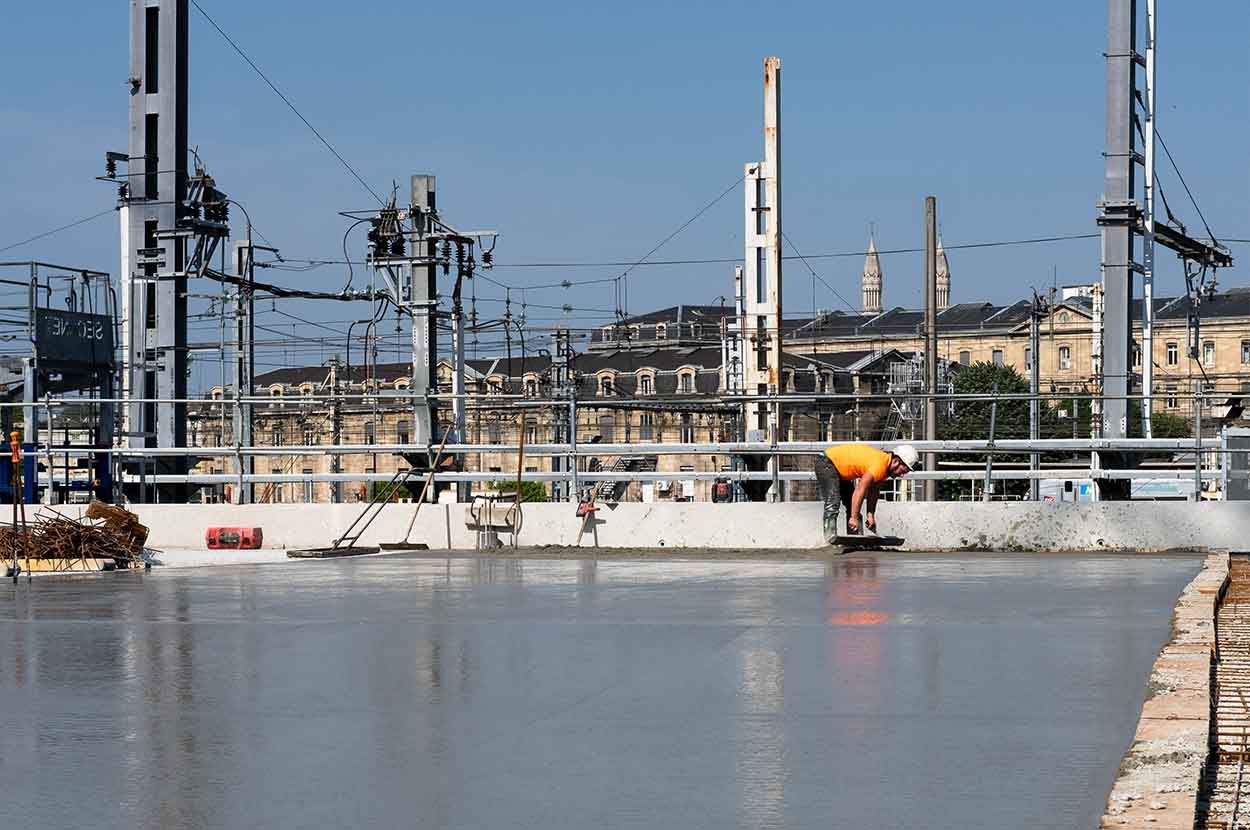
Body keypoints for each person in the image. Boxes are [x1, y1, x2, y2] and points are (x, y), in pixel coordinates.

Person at [815, 443, 918, 543]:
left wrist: (870, 515)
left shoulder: (884, 467)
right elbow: (860, 489)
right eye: (903, 471)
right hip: (827, 462)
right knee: (833, 501)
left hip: (838, 469)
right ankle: (829, 538)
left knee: (853, 508)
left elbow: (873, 492)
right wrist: (854, 517)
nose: (902, 475)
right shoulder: (880, 465)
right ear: (896, 461)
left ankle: (856, 540)